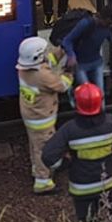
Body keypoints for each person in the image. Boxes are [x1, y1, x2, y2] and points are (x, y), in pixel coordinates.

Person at [41, 83, 112, 222]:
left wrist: (66, 164)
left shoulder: (69, 129)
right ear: (100, 102)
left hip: (82, 188)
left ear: (76, 103)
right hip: (108, 183)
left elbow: (48, 156)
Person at [16, 36, 73, 194]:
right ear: (38, 56)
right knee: (44, 149)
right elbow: (62, 85)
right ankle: (43, 182)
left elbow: (50, 60)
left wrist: (62, 48)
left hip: (30, 116)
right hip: (42, 119)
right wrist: (69, 71)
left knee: (35, 145)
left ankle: (37, 169)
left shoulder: (23, 70)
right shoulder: (42, 76)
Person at [62, 6, 112, 109]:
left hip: (96, 63)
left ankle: (101, 115)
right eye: (108, 23)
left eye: (111, 24)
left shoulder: (107, 27)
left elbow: (107, 35)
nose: (109, 26)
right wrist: (71, 56)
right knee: (88, 93)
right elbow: (67, 41)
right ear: (101, 18)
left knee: (100, 94)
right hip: (81, 64)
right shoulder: (86, 24)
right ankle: (78, 101)